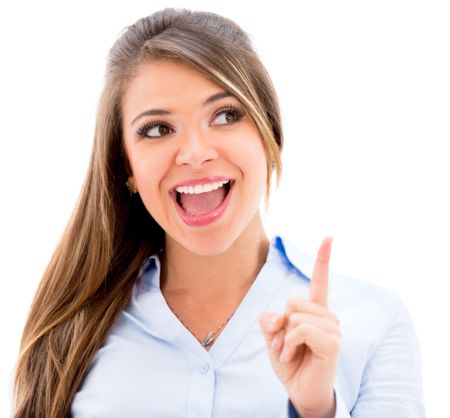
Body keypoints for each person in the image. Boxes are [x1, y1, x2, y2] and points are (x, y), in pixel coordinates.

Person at [11, 7, 425, 418]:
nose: (195, 153)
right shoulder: (73, 331)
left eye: (226, 115)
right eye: (157, 129)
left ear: (269, 133)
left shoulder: (372, 319)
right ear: (126, 166)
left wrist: (316, 410)